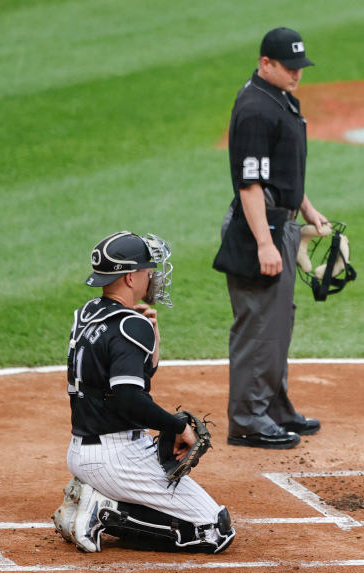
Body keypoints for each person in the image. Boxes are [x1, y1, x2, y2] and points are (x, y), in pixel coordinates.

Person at [51, 231, 235, 554]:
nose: (153, 275)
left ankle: (96, 496)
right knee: (214, 529)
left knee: (193, 515)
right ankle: (103, 511)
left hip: (84, 450)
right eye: (148, 269)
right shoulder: (129, 326)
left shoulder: (87, 315)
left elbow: (126, 382)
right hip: (116, 457)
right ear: (130, 277)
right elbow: (129, 400)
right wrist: (177, 426)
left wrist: (154, 340)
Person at [218, 26, 326, 449]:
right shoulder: (255, 110)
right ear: (266, 64)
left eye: (301, 66)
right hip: (255, 228)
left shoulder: (278, 98)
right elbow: (250, 186)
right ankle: (246, 418)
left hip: (279, 221)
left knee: (279, 321)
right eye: (289, 67)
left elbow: (283, 172)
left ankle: (273, 407)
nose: (298, 74)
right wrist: (265, 242)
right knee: (258, 325)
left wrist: (306, 208)